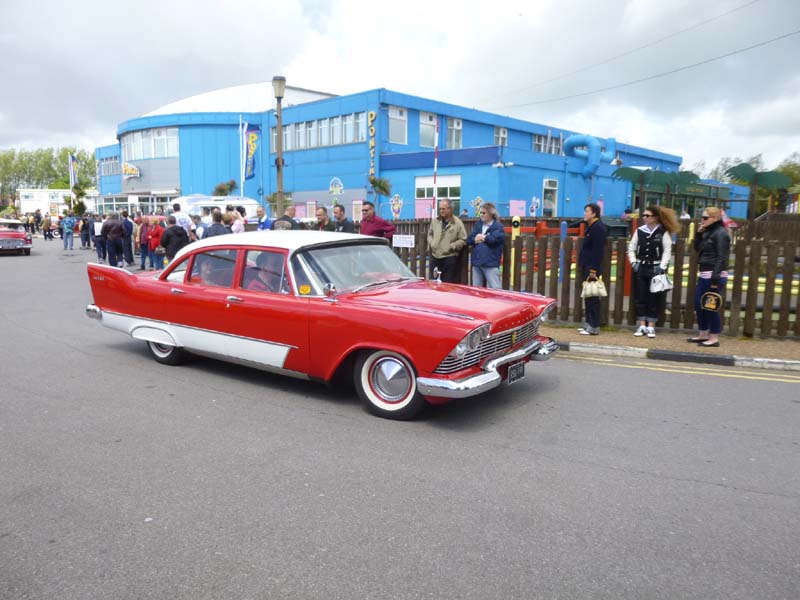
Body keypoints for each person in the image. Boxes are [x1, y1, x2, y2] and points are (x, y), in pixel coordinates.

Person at [627, 205, 679, 338]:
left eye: (647, 216)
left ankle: (651, 326)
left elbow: (667, 251)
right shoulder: (639, 231)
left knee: (654, 297)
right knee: (640, 296)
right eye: (643, 215)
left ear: (655, 218)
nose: (644, 218)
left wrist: (662, 266)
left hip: (655, 268)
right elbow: (631, 248)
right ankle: (642, 325)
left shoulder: (663, 232)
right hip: (641, 267)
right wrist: (633, 262)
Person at [688, 207, 731, 347]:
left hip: (714, 275)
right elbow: (697, 248)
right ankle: (703, 334)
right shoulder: (708, 232)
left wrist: (715, 279)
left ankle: (714, 338)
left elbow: (722, 257)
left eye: (705, 218)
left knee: (710, 306)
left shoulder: (721, 233)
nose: (702, 220)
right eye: (702, 217)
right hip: (704, 274)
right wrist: (699, 235)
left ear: (715, 219)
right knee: (699, 304)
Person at [577, 203, 607, 336]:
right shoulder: (592, 227)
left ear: (594, 213)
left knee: (593, 296)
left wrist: (593, 269)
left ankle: (594, 326)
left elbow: (597, 250)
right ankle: (589, 323)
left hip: (592, 267)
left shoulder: (598, 228)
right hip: (587, 265)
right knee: (588, 295)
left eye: (587, 211)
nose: (585, 214)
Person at [427, 199, 467, 283]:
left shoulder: (457, 223)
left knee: (447, 285)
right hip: (435, 257)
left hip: (449, 258)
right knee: (434, 283)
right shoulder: (435, 221)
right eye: (440, 208)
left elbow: (463, 239)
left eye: (443, 209)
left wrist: (452, 246)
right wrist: (432, 243)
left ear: (450, 209)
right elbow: (430, 234)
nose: (441, 211)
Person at [467, 202, 505, 289]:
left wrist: (483, 237)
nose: (481, 215)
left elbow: (493, 239)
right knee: (476, 289)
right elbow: (469, 239)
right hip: (477, 262)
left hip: (490, 263)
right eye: (480, 212)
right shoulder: (478, 224)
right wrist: (475, 239)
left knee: (495, 289)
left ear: (491, 214)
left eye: (484, 213)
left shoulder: (498, 227)